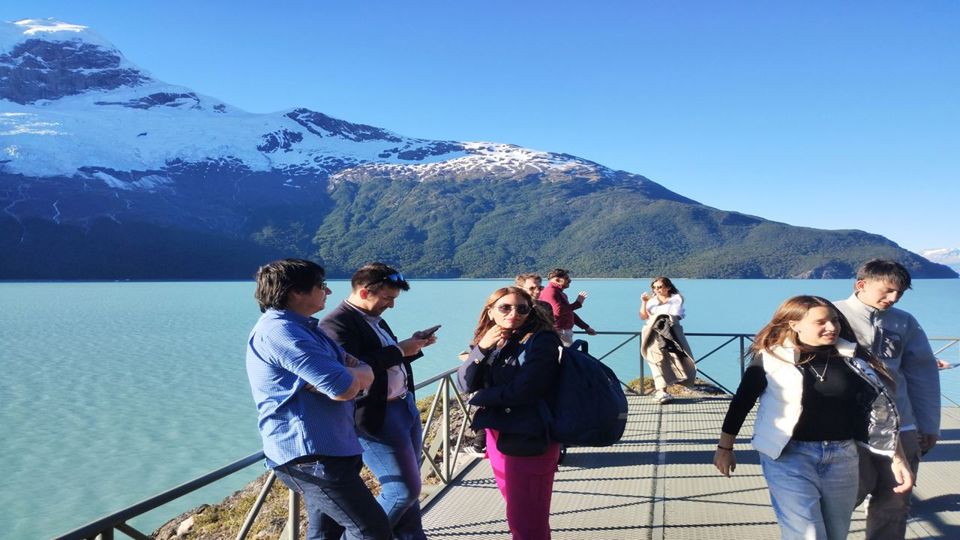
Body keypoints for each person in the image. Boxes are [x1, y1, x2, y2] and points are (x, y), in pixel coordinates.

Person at [713, 295, 912, 540]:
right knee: (808, 534)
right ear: (794, 324)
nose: (832, 327)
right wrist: (725, 447)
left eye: (835, 321)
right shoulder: (772, 358)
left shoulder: (853, 360)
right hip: (788, 456)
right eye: (821, 322)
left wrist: (897, 457)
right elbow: (741, 403)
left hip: (843, 457)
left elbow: (880, 413)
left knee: (836, 533)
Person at [245, 258, 389, 540]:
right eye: (321, 286)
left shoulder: (305, 329)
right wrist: (352, 374)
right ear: (296, 292)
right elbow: (343, 387)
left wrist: (354, 372)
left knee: (324, 534)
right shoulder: (281, 332)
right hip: (311, 456)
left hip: (330, 449)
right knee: (372, 530)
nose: (328, 292)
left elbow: (355, 369)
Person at [319, 263, 436, 540]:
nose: (391, 305)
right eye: (387, 298)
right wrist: (399, 349)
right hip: (375, 414)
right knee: (402, 490)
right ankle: (361, 536)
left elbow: (385, 359)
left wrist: (412, 346)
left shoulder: (375, 317)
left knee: (412, 485)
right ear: (363, 291)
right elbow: (351, 370)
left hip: (402, 405)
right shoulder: (335, 324)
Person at [833, 259, 941, 539]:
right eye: (887, 290)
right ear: (861, 285)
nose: (893, 298)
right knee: (842, 498)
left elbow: (922, 373)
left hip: (901, 425)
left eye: (900, 293)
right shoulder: (830, 315)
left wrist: (929, 424)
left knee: (895, 501)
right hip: (846, 428)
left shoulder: (904, 322)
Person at [457, 286, 563, 540]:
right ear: (490, 311)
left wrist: (482, 397)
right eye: (505, 307)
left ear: (530, 311)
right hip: (498, 434)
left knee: (527, 517)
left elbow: (527, 390)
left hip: (530, 434)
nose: (513, 313)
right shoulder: (494, 340)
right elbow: (464, 384)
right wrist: (481, 348)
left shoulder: (542, 339)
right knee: (518, 510)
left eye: (522, 308)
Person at [639, 277, 696, 404]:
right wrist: (644, 302)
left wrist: (657, 313)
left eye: (660, 287)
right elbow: (643, 316)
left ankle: (675, 385)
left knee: (676, 359)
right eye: (654, 287)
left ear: (668, 287)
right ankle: (661, 391)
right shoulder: (651, 301)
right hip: (652, 333)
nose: (657, 290)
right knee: (656, 361)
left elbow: (674, 313)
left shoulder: (676, 299)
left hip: (672, 334)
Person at [538, 268, 596, 346]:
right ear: (557, 280)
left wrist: (586, 327)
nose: (569, 281)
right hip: (558, 332)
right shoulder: (550, 292)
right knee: (565, 356)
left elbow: (569, 312)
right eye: (567, 279)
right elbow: (557, 311)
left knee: (567, 356)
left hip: (563, 332)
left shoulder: (559, 293)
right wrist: (577, 303)